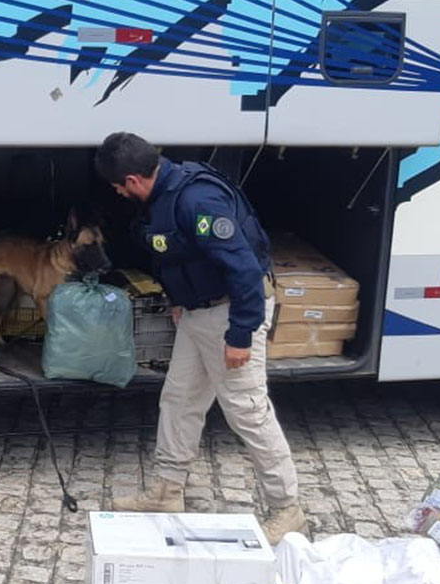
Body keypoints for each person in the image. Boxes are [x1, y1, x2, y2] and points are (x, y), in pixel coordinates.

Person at [95, 132, 307, 544]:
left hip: (230, 313)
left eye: (119, 187)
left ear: (134, 180)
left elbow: (244, 270)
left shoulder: (198, 200)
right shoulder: (165, 195)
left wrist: (241, 334)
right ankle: (167, 491)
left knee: (247, 411)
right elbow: (180, 255)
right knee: (179, 399)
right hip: (197, 314)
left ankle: (288, 509)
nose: (119, 194)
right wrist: (180, 300)